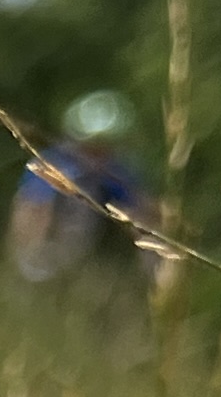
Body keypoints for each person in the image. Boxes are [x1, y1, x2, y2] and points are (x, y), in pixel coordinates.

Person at [10, 92, 144, 282]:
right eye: (93, 147)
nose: (100, 156)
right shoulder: (53, 165)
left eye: (107, 147)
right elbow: (32, 209)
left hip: (93, 264)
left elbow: (140, 211)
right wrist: (31, 256)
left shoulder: (117, 171)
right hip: (44, 256)